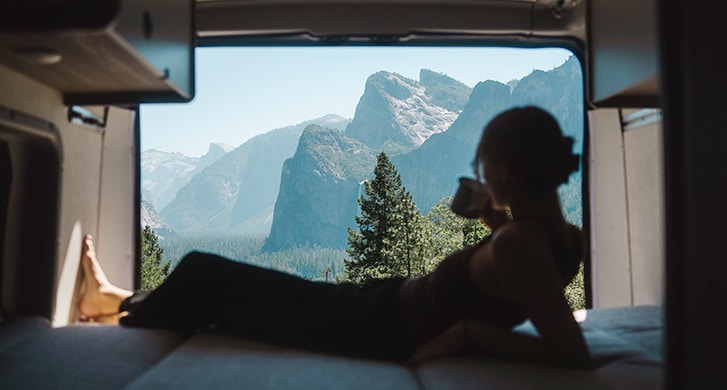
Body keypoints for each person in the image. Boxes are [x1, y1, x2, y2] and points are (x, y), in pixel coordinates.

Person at [78, 105, 589, 366]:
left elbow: (572, 353)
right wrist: (493, 222)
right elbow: (511, 284)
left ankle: (113, 304)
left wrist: (470, 337)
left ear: (506, 169)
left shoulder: (523, 246)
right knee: (224, 291)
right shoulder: (561, 236)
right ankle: (120, 300)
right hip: (382, 303)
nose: (477, 169)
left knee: (203, 272)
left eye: (483, 161)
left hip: (376, 326)